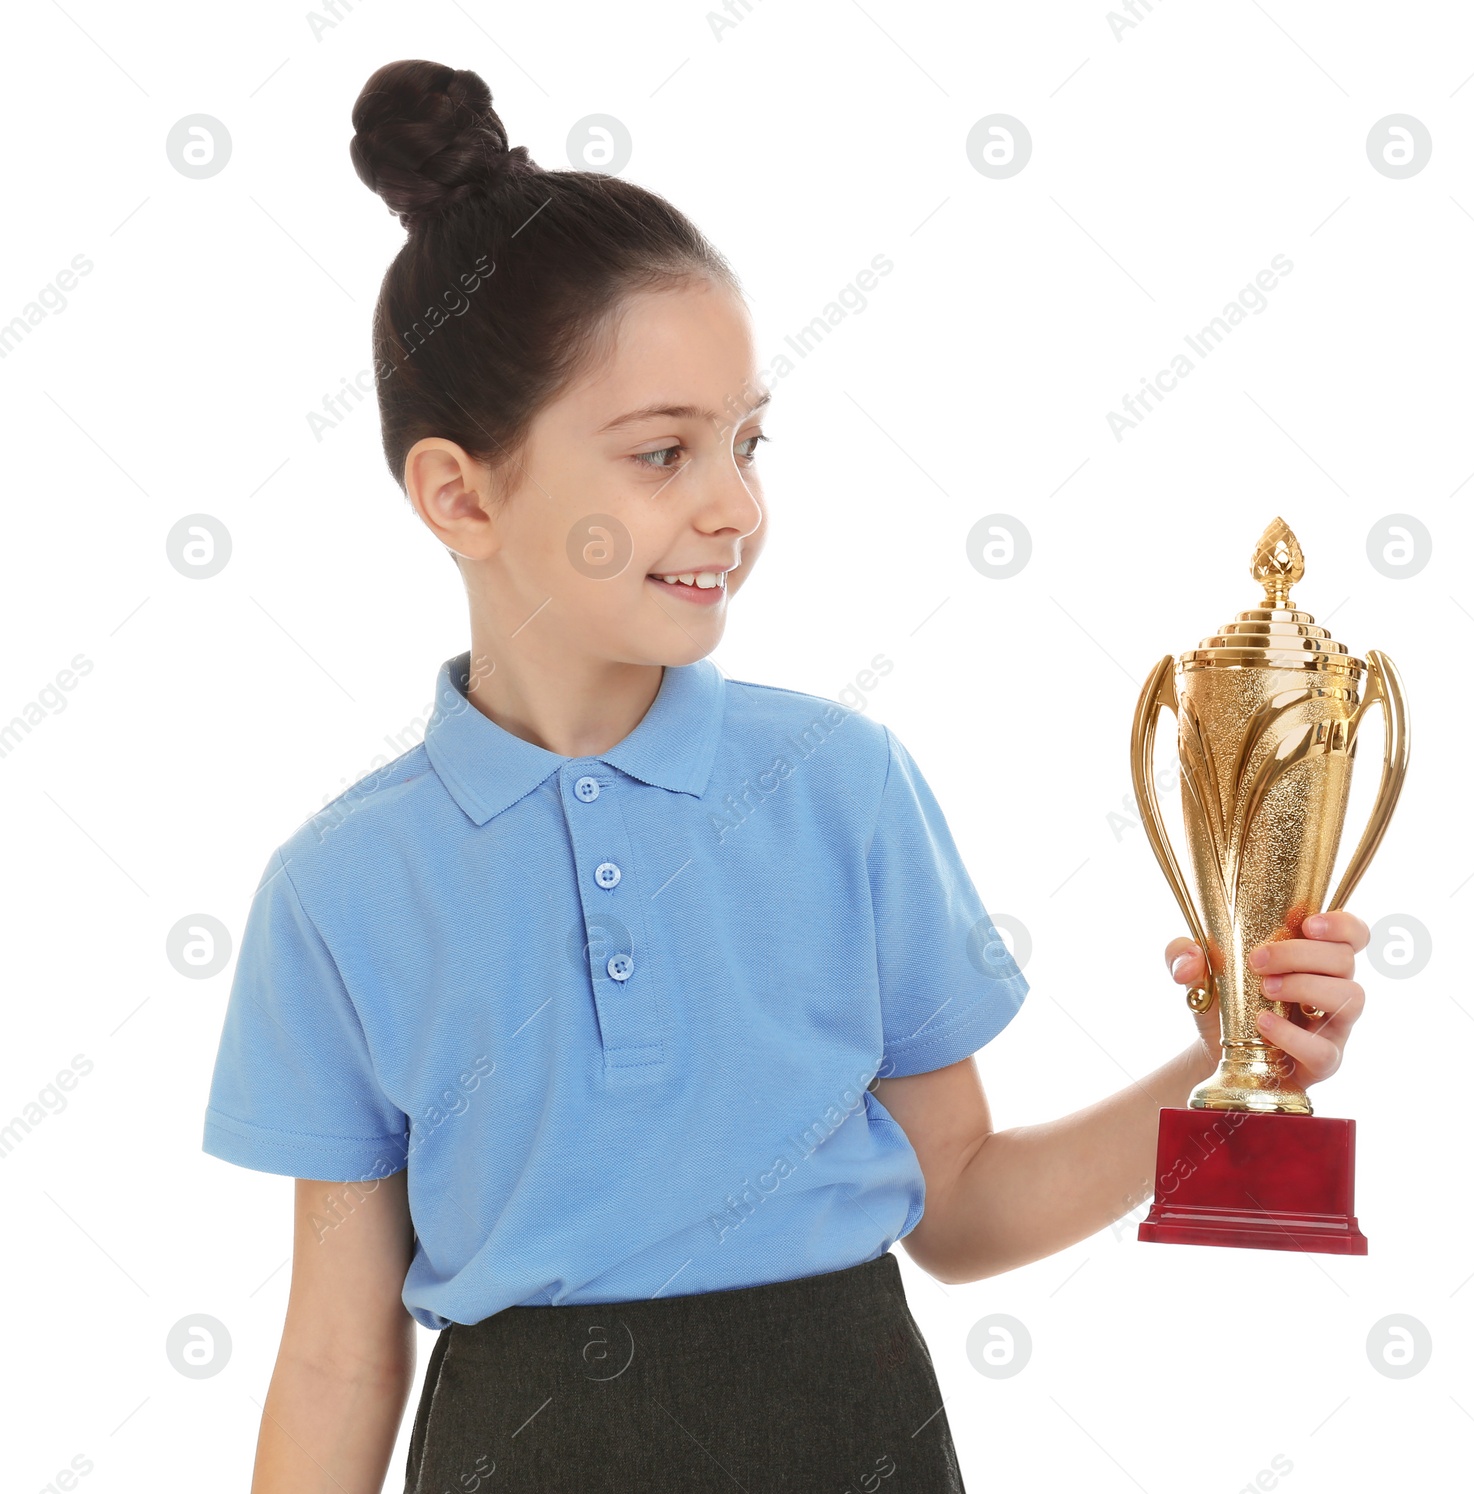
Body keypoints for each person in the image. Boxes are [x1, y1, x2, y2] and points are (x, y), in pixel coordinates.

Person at [199, 58, 1371, 1494]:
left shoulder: (841, 788)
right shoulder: (341, 891)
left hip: (850, 1434)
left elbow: (962, 1203)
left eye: (747, 441)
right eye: (662, 452)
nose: (733, 504)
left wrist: (1227, 1068)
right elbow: (335, 1352)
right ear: (462, 492)